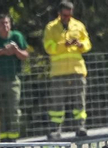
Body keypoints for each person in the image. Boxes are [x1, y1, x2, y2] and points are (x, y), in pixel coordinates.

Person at [42, 1, 92, 138]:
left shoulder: (78, 25)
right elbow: (48, 47)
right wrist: (64, 45)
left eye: (69, 15)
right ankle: (55, 130)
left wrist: (81, 44)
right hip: (59, 71)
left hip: (77, 69)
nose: (67, 18)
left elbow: (88, 44)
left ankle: (80, 127)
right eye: (64, 15)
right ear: (59, 13)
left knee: (79, 100)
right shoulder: (51, 28)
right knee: (57, 102)